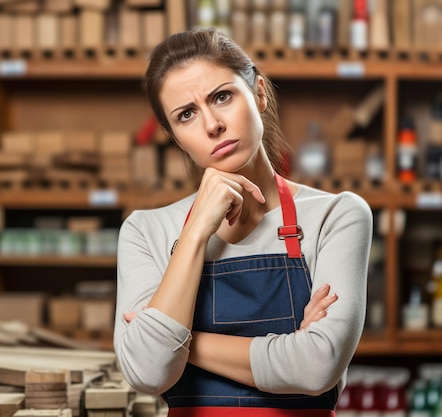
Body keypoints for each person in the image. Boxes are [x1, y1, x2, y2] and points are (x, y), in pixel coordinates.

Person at [113, 28, 373, 417]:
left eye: (222, 96)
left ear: (260, 93)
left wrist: (182, 343)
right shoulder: (146, 231)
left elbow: (317, 365)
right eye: (186, 115)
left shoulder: (336, 216)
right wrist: (196, 230)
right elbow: (149, 371)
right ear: (175, 138)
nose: (212, 124)